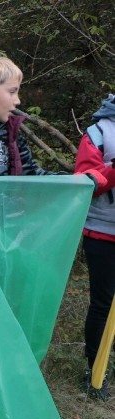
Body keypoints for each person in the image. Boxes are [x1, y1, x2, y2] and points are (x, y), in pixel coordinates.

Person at [75, 94, 115, 400]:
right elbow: (87, 182)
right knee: (103, 303)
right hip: (103, 232)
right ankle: (95, 368)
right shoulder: (98, 132)